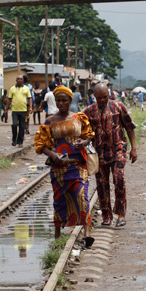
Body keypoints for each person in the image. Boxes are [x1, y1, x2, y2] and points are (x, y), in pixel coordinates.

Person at [34, 85, 95, 245]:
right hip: (59, 167)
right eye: (58, 100)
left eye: (64, 100)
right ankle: (57, 234)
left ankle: (87, 233)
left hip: (77, 165)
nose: (61, 103)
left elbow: (88, 136)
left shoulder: (78, 118)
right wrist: (53, 154)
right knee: (59, 199)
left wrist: (83, 142)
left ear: (70, 101)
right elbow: (41, 145)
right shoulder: (50, 121)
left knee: (82, 196)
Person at [84, 83, 138, 228]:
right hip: (98, 153)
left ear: (109, 95)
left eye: (105, 97)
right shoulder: (88, 112)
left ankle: (121, 214)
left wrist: (133, 148)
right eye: (99, 98)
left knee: (119, 179)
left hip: (118, 150)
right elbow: (83, 133)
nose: (102, 100)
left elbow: (129, 127)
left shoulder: (119, 107)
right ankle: (106, 215)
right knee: (102, 184)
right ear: (94, 97)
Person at [5, 75, 32, 147]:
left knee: (22, 127)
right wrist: (6, 109)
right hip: (15, 110)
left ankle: (20, 142)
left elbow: (29, 98)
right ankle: (14, 140)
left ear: (23, 80)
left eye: (21, 79)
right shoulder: (12, 89)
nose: (19, 80)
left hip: (23, 110)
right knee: (14, 125)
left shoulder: (26, 89)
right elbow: (9, 99)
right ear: (16, 80)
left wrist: (30, 107)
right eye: (18, 79)